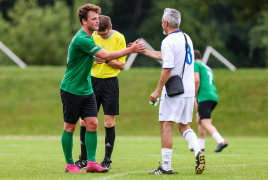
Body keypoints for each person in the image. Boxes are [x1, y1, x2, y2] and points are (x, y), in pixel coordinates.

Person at [60, 4, 145, 173]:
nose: (97, 22)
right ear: (84, 21)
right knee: (70, 126)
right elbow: (105, 55)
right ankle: (70, 165)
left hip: (86, 88)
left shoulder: (90, 37)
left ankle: (91, 163)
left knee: (92, 124)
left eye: (98, 18)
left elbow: (88, 59)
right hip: (72, 88)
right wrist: (131, 49)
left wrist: (94, 60)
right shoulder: (82, 39)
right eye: (93, 19)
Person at [140, 8, 205, 175]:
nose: (162, 24)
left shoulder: (168, 41)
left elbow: (168, 67)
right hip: (189, 90)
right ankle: (198, 151)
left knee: (166, 127)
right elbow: (168, 56)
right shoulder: (186, 38)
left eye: (162, 21)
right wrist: (144, 51)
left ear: (166, 23)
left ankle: (166, 167)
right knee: (184, 126)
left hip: (175, 90)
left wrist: (156, 91)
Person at [74, 15, 126, 170]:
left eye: (103, 34)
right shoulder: (91, 35)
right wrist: (93, 59)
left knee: (108, 122)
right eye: (99, 33)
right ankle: (84, 158)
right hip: (92, 81)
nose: (101, 36)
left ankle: (107, 160)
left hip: (110, 83)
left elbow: (121, 65)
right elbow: (83, 56)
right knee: (84, 121)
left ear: (111, 26)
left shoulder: (119, 38)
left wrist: (107, 60)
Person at [193, 50, 228, 152]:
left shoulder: (195, 64)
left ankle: (221, 141)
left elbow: (196, 80)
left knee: (205, 121)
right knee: (199, 119)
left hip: (204, 96)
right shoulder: (207, 67)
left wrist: (194, 96)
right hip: (213, 96)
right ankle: (201, 146)